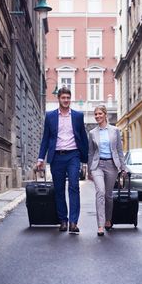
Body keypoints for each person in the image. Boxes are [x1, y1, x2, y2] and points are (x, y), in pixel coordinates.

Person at [37, 87, 88, 234]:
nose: (66, 100)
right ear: (58, 99)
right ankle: (63, 221)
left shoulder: (78, 116)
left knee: (74, 187)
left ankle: (73, 222)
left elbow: (83, 137)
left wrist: (86, 158)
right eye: (63, 98)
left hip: (73, 155)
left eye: (68, 98)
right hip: (57, 157)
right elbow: (45, 138)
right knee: (59, 190)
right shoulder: (50, 116)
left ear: (70, 99)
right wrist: (41, 158)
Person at [88, 105, 126, 236]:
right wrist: (89, 171)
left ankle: (108, 220)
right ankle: (100, 225)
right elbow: (91, 153)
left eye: (99, 114)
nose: (97, 116)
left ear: (105, 115)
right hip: (97, 165)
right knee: (100, 192)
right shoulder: (92, 133)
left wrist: (123, 168)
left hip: (112, 165)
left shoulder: (115, 130)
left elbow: (119, 150)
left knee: (108, 196)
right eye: (96, 114)